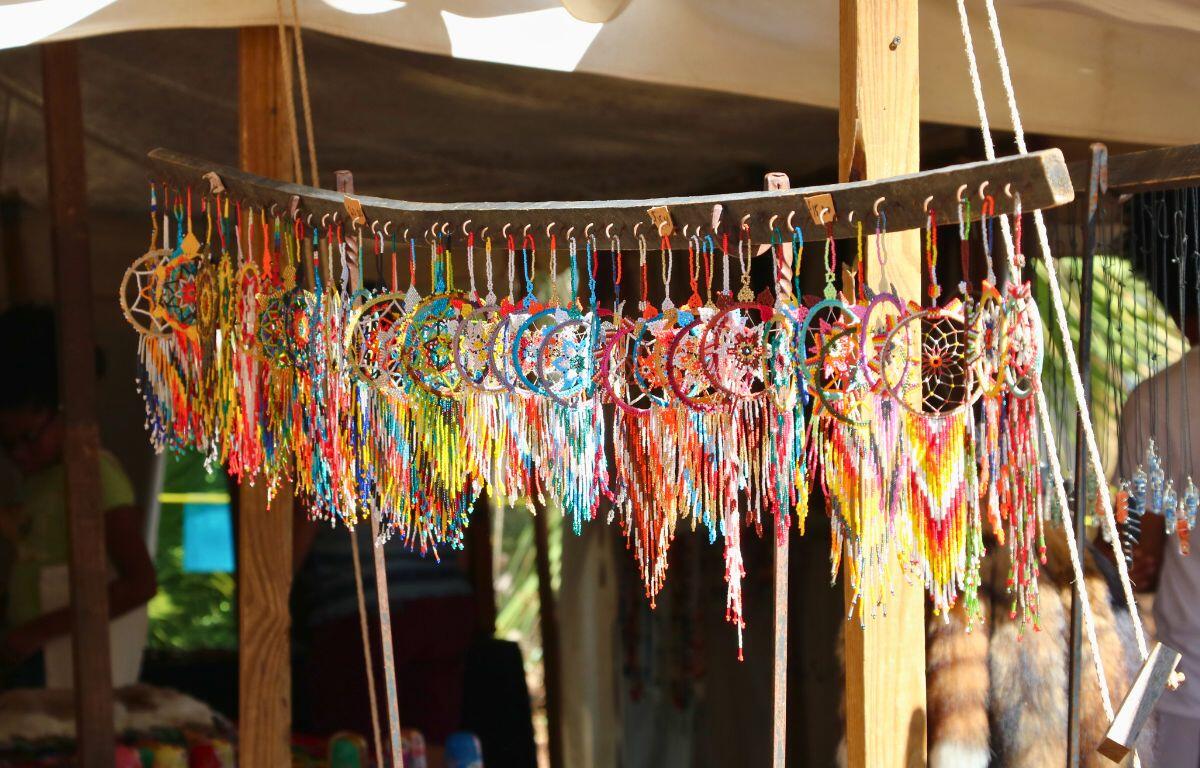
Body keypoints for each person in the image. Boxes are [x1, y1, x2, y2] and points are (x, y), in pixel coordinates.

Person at [0, 305, 157, 686]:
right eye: (7, 445)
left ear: (66, 410)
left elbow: (140, 583)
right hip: (35, 660)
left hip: (73, 671)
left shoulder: (97, 476)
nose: (19, 456)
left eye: (28, 439)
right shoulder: (40, 483)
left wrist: (35, 632)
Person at [1121, 336, 1200, 767]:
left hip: (1175, 662)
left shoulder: (1155, 398)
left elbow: (1138, 556)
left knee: (1115, 749)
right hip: (1172, 667)